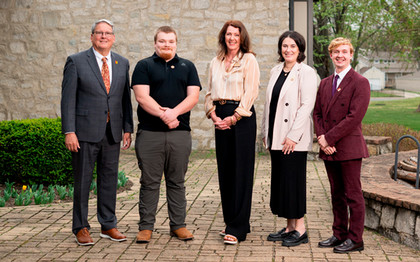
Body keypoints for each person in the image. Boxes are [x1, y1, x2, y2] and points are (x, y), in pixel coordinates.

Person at [61, 19, 133, 246]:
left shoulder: (122, 63)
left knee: (109, 180)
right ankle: (80, 227)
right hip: (84, 132)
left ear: (113, 38)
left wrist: (128, 128)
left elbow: (124, 99)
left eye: (108, 33)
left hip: (112, 132)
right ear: (92, 36)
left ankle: (108, 224)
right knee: (83, 181)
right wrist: (69, 131)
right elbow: (68, 99)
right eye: (99, 33)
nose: (104, 36)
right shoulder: (76, 61)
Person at [131, 26, 201, 244]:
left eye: (171, 41)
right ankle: (146, 227)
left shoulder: (187, 66)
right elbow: (142, 97)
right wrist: (165, 115)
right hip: (150, 134)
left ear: (176, 43)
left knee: (177, 182)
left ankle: (178, 225)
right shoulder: (144, 66)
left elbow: (193, 97)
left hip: (179, 134)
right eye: (162, 41)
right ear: (155, 43)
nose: (166, 45)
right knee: (149, 182)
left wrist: (174, 114)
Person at [204, 20, 260, 245]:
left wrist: (234, 117)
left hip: (241, 118)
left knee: (241, 172)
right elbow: (208, 93)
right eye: (228, 34)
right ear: (223, 37)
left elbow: (251, 91)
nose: (232, 38)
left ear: (242, 37)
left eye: (236, 35)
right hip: (220, 118)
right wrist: (214, 115)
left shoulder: (249, 59)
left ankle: (238, 227)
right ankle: (231, 221)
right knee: (225, 171)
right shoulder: (215, 61)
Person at [313, 37, 370, 253]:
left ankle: (356, 239)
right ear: (330, 55)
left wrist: (329, 138)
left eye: (344, 52)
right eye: (336, 52)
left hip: (348, 147)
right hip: (328, 147)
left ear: (351, 55)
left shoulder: (360, 82)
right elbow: (317, 113)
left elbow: (354, 117)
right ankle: (339, 234)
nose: (340, 55)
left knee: (352, 195)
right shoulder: (326, 82)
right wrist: (322, 138)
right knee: (336, 193)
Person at [261, 31, 317, 247]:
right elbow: (269, 105)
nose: (288, 50)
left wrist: (293, 136)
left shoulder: (307, 72)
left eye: (293, 46)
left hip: (294, 138)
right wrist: (266, 132)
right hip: (276, 136)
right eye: (285, 46)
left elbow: (306, 106)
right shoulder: (276, 70)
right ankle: (289, 227)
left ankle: (301, 229)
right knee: (282, 181)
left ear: (300, 49)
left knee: (293, 181)